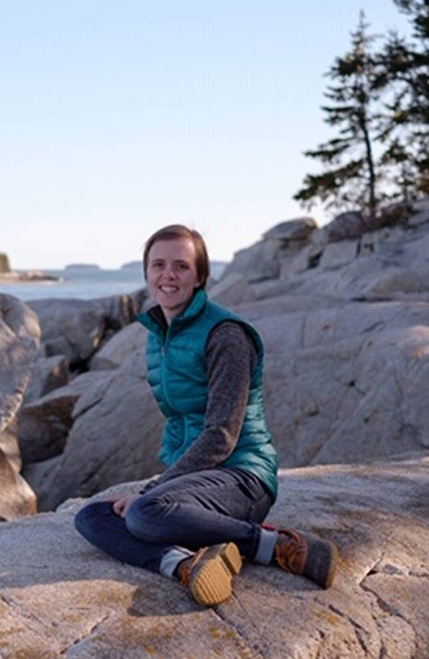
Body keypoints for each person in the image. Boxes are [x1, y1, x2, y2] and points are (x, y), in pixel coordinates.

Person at [73, 224, 339, 606]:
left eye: (181, 266)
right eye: (158, 265)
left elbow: (222, 435)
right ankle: (183, 565)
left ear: (199, 276)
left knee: (145, 513)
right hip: (196, 480)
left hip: (242, 478)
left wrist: (153, 491)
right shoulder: (161, 334)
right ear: (146, 273)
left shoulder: (225, 334)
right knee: (91, 516)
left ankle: (274, 545)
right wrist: (160, 489)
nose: (168, 275)